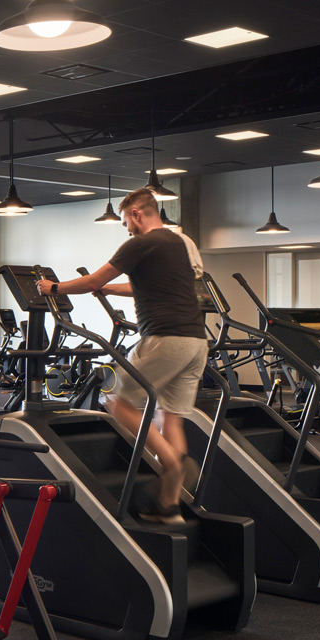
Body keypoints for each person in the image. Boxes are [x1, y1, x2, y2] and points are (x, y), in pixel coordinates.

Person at [36, 188, 207, 522]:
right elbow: (143, 285)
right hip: (196, 342)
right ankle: (169, 507)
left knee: (115, 400)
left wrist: (52, 288)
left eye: (126, 220)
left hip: (165, 337)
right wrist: (110, 289)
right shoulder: (178, 244)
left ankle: (172, 464)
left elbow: (94, 279)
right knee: (169, 415)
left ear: (137, 213)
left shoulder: (140, 243)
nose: (126, 228)